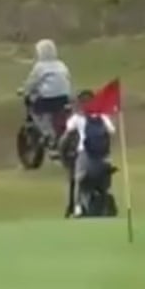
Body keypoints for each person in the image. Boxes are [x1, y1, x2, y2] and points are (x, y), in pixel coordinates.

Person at [61, 89, 116, 217]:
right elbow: (112, 131)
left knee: (78, 180)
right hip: (104, 157)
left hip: (85, 155)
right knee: (105, 183)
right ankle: (105, 205)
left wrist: (63, 154)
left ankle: (77, 208)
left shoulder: (77, 118)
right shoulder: (103, 116)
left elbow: (65, 138)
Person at [18, 39, 73, 149]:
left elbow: (32, 82)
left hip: (48, 98)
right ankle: (58, 135)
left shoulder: (40, 67)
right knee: (59, 113)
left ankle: (47, 133)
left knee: (36, 111)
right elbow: (67, 78)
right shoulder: (61, 64)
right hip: (64, 97)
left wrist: (24, 90)